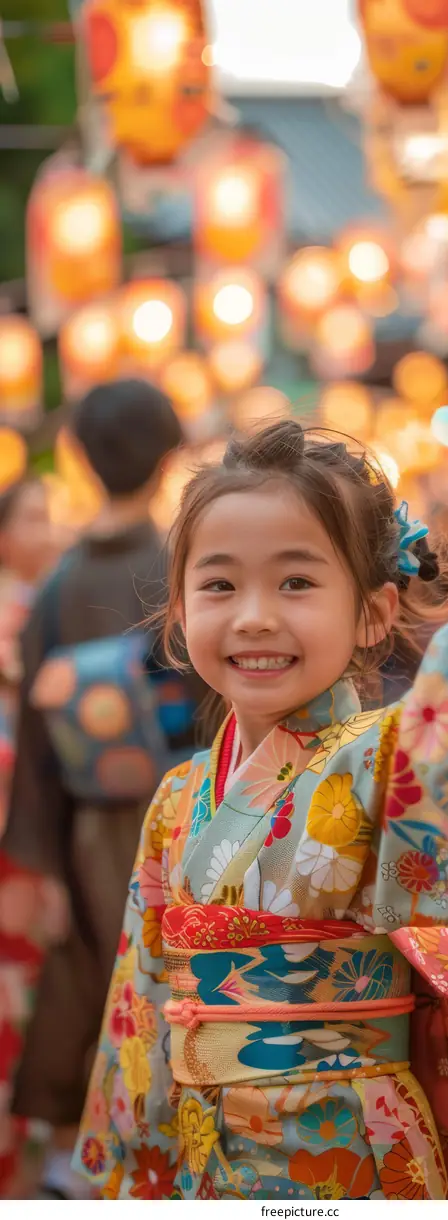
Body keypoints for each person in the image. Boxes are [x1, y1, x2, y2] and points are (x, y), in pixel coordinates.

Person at [73, 340, 448, 1201]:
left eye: (295, 582)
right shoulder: (177, 801)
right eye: (218, 586)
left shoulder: (377, 763)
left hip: (344, 1150)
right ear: (178, 608)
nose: (253, 618)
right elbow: (139, 1018)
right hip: (203, 1162)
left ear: (374, 611)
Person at [1, 380, 210, 1199]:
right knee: (186, 977)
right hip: (192, 809)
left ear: (84, 461)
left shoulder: (57, 586)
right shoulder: (187, 565)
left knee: (97, 971)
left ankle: (84, 1152)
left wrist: (35, 860)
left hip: (90, 820)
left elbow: (41, 739)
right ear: (167, 457)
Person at [0, 477, 65, 1197]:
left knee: (25, 1008)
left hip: (25, 841)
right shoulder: (29, 613)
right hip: (13, 834)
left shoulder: (45, 607)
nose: (48, 533)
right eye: (34, 519)